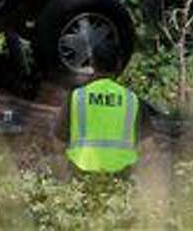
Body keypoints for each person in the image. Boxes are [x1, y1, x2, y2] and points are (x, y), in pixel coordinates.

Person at [54, 41, 158, 174]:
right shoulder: (132, 100)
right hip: (121, 178)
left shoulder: (76, 97)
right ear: (119, 65)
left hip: (80, 178)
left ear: (92, 64)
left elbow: (58, 143)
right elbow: (148, 147)